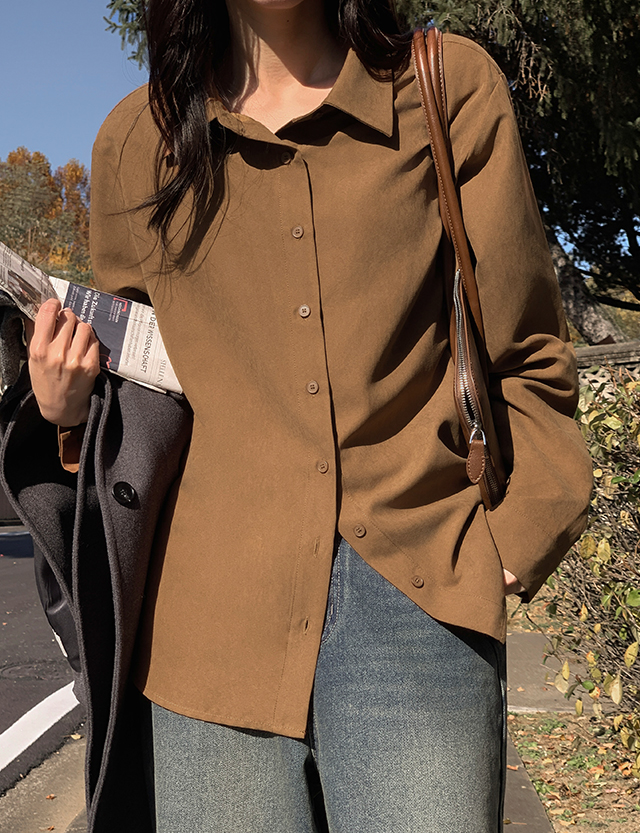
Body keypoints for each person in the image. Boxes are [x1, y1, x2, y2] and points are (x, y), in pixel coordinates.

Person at [20, 1, 592, 831]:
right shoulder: (137, 143)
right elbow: (139, 393)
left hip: (421, 606)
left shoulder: (447, 88)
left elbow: (529, 348)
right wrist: (66, 408)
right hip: (207, 631)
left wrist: (513, 541)